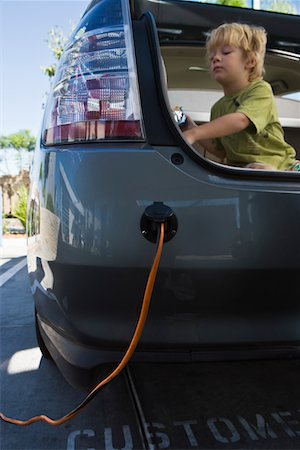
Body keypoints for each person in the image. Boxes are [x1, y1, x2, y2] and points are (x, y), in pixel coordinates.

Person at [183, 22, 299, 171]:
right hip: (244, 171)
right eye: (212, 55)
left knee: (261, 170)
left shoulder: (259, 89)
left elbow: (241, 120)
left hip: (283, 169)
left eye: (226, 52)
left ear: (250, 61)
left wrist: (195, 133)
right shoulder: (218, 108)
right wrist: (191, 126)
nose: (215, 58)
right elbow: (221, 151)